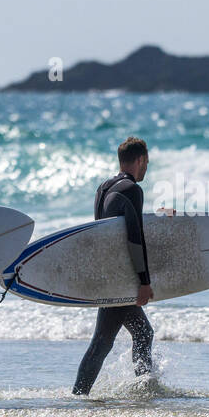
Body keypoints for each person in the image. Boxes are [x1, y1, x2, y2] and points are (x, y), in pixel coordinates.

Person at [72, 136, 164, 395]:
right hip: (119, 278)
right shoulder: (133, 190)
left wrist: (161, 217)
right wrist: (144, 282)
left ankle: (143, 387)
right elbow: (134, 237)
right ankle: (80, 395)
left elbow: (111, 231)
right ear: (140, 160)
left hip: (106, 273)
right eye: (147, 163)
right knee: (104, 340)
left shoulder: (104, 188)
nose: (146, 169)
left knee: (140, 333)